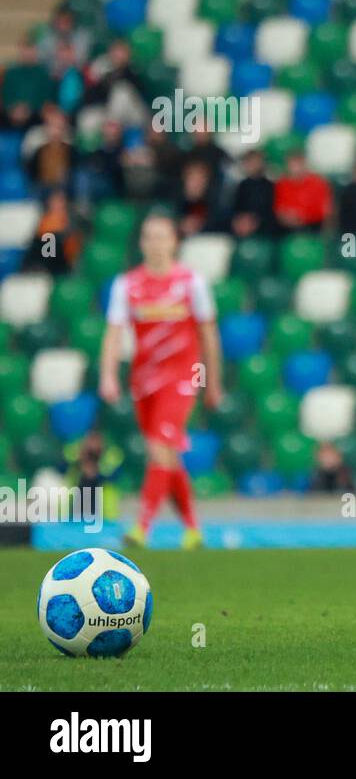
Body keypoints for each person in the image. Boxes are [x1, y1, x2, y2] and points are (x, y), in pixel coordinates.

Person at [99, 213, 223, 550]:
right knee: (167, 454)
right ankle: (193, 529)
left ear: (174, 242)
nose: (155, 243)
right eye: (149, 237)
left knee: (159, 447)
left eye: (162, 236)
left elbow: (208, 333)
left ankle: (141, 527)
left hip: (183, 376)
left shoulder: (191, 282)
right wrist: (108, 374)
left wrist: (212, 382)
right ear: (141, 243)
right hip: (144, 380)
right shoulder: (127, 284)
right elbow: (113, 332)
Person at [274, 149, 332, 233]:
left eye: (299, 163)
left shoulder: (318, 183)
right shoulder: (281, 184)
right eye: (293, 164)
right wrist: (286, 217)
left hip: (313, 227)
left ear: (304, 164)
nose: (296, 168)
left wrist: (302, 216)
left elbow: (326, 210)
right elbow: (279, 209)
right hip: (287, 229)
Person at [229, 148, 278, 238]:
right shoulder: (242, 186)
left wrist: (254, 222)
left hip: (265, 230)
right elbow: (236, 209)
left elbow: (271, 212)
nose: (253, 165)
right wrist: (240, 221)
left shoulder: (270, 186)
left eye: (256, 161)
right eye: (249, 161)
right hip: (242, 228)